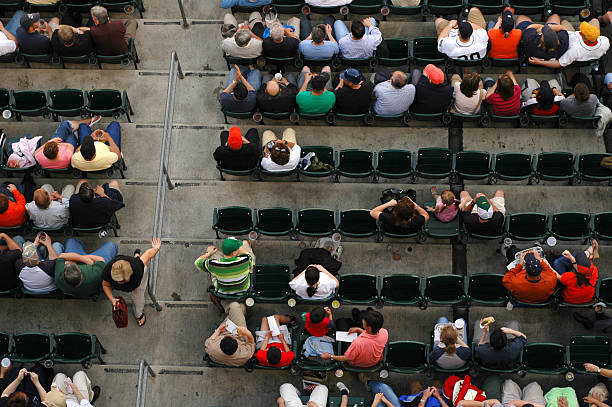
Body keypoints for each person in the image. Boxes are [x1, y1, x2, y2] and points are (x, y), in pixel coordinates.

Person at [101, 239, 161, 326]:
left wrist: (156, 248)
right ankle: (136, 255)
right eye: (116, 279)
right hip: (133, 262)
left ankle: (139, 314)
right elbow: (105, 285)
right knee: (137, 260)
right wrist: (112, 299)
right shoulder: (107, 270)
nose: (118, 282)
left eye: (122, 280)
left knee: (138, 298)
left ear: (130, 273)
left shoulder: (137, 267)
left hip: (139, 279)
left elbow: (148, 254)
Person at [529, 19, 610, 68]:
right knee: (595, 20)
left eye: (582, 32)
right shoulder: (605, 40)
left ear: (585, 38)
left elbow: (559, 64)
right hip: (589, 53)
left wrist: (539, 62)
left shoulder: (574, 50)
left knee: (564, 21)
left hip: (571, 42)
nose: (581, 31)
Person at [321, 309, 388, 368]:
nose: (363, 320)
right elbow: (372, 338)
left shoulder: (358, 343)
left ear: (369, 327)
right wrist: (359, 330)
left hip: (356, 364)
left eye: (364, 321)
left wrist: (330, 356)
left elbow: (346, 358)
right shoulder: (384, 332)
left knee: (340, 322)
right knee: (342, 323)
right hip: (374, 362)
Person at [35, 118, 100, 170]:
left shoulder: (39, 157)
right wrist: (60, 143)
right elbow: (70, 146)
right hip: (68, 147)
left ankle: (73, 126)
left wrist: (51, 141)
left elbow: (36, 153)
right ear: (58, 149)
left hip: (55, 159)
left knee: (66, 127)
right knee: (69, 133)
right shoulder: (67, 156)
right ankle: (78, 125)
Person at [205, 302, 255, 366]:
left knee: (238, 308)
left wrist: (219, 330)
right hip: (240, 336)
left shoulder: (211, 348)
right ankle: (239, 310)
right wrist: (247, 333)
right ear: (237, 345)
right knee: (235, 306)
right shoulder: (245, 354)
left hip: (223, 333)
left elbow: (210, 340)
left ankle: (229, 308)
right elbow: (252, 343)